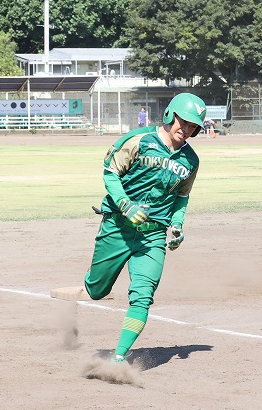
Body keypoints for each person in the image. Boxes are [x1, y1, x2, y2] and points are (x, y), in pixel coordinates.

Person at [83, 92, 206, 363]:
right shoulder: (138, 140)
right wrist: (125, 205)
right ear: (170, 115)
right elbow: (110, 174)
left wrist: (177, 225)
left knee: (143, 296)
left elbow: (182, 197)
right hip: (118, 227)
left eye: (193, 126)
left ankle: (118, 358)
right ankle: (92, 280)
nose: (186, 129)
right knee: (97, 291)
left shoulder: (190, 161)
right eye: (183, 122)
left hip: (152, 236)